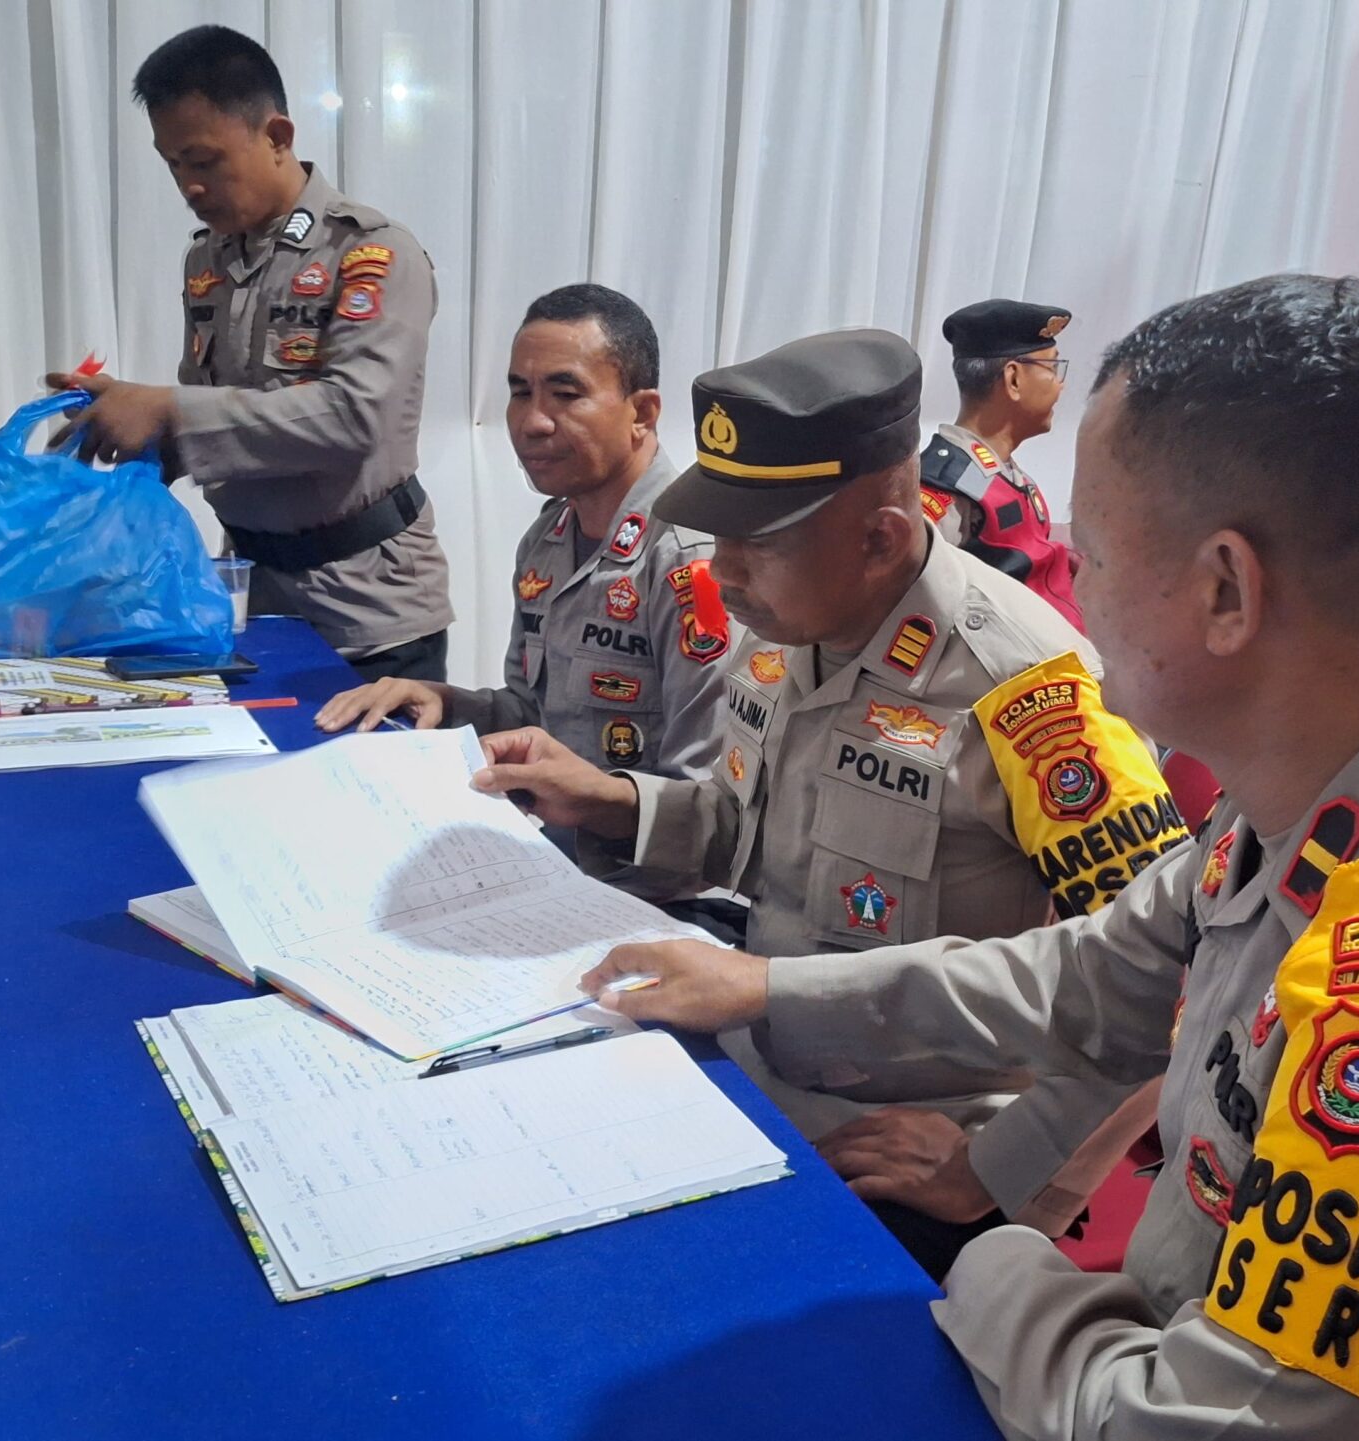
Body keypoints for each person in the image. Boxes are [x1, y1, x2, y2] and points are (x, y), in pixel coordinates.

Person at [577, 276, 1359, 1438]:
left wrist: (986, 1256)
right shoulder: (1306, 791)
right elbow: (1090, 975)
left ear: (1224, 590)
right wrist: (766, 989)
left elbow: (1187, 1427)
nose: (1071, 593)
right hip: (1139, 1340)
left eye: (1090, 555)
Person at [473, 328, 1193, 1274]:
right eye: (720, 534)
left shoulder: (1028, 692)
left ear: (879, 538)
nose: (723, 571)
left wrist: (996, 1170)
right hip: (759, 1068)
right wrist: (611, 800)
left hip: (911, 1141)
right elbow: (753, 834)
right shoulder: (786, 621)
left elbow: (1164, 984)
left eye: (757, 544)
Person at [47, 26, 452, 682]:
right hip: (250, 598)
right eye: (173, 165)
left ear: (278, 137)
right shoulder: (207, 260)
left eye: (204, 162)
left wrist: (168, 410)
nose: (189, 187)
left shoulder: (370, 254)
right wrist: (127, 426)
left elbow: (356, 417)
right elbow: (222, 420)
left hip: (369, 613)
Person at [313, 284, 728, 901]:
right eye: (519, 392)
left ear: (642, 413)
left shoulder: (694, 564)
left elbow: (713, 814)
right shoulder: (550, 536)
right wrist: (444, 703)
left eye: (566, 394)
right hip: (547, 869)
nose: (533, 421)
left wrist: (595, 807)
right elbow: (538, 716)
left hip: (649, 901)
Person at [922, 300, 1085, 628]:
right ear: (1013, 379)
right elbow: (921, 603)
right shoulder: (947, 487)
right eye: (1053, 368)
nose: (1061, 384)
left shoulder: (1006, 475)